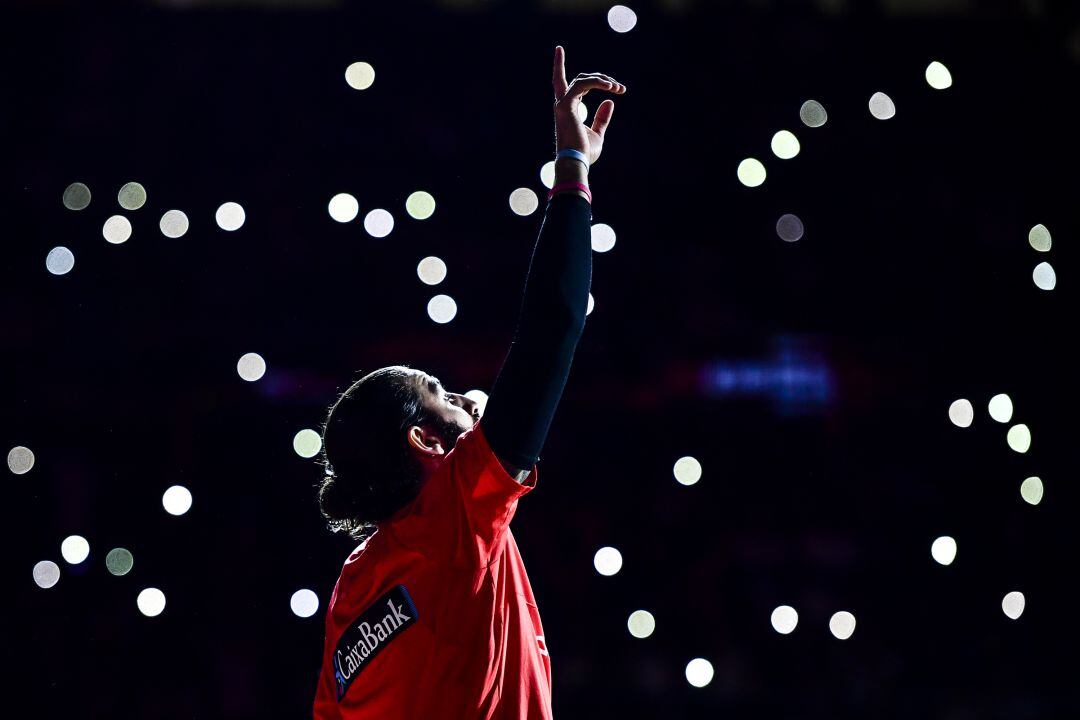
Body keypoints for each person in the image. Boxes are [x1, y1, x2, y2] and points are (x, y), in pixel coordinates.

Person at [312, 46, 625, 719]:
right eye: (445, 395)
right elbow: (554, 325)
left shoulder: (353, 588)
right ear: (427, 441)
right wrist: (573, 166)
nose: (468, 397)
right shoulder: (456, 514)